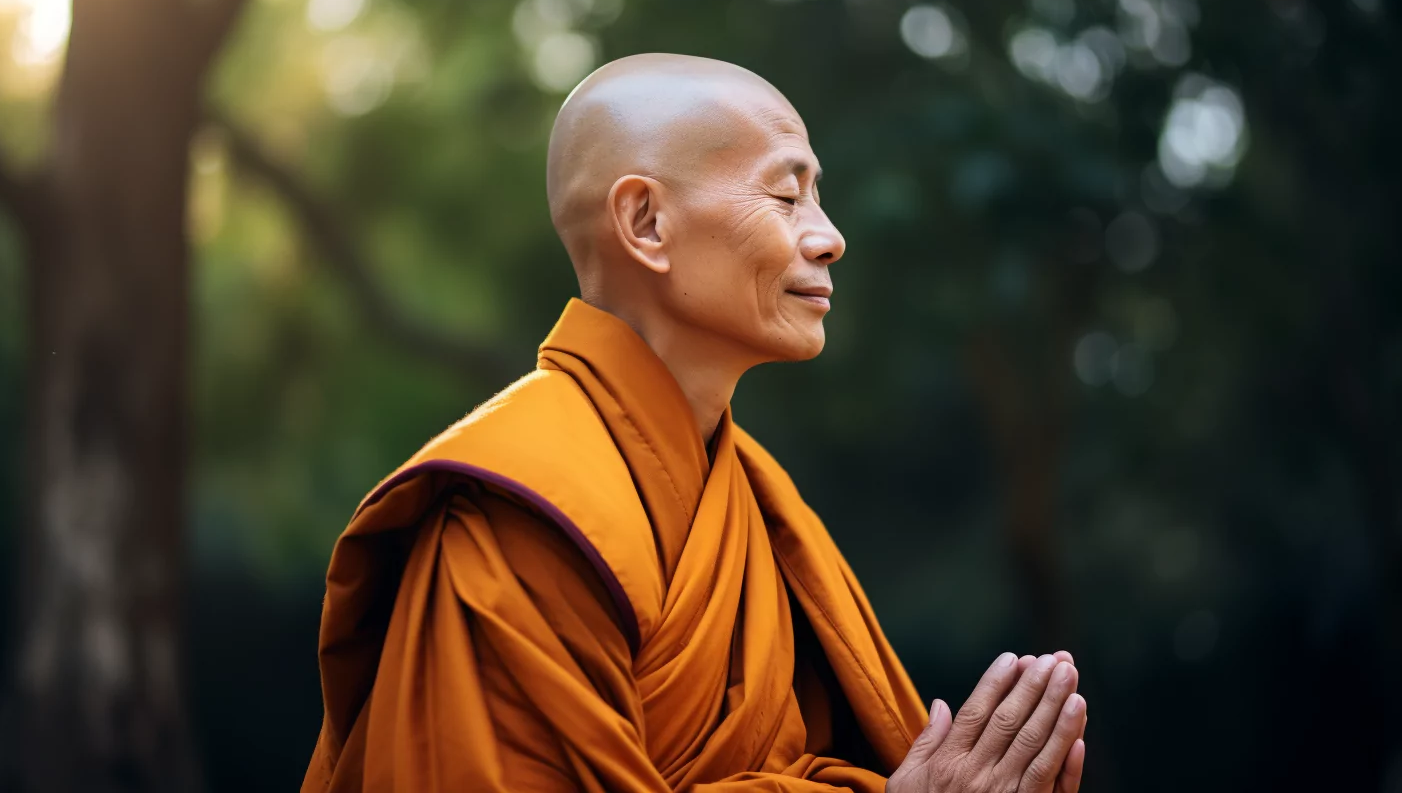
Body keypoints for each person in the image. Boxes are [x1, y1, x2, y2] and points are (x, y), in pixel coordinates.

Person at [300, 53, 1088, 793]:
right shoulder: (511, 518)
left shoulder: (764, 512)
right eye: (787, 196)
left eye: (818, 197)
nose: (829, 237)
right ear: (645, 223)